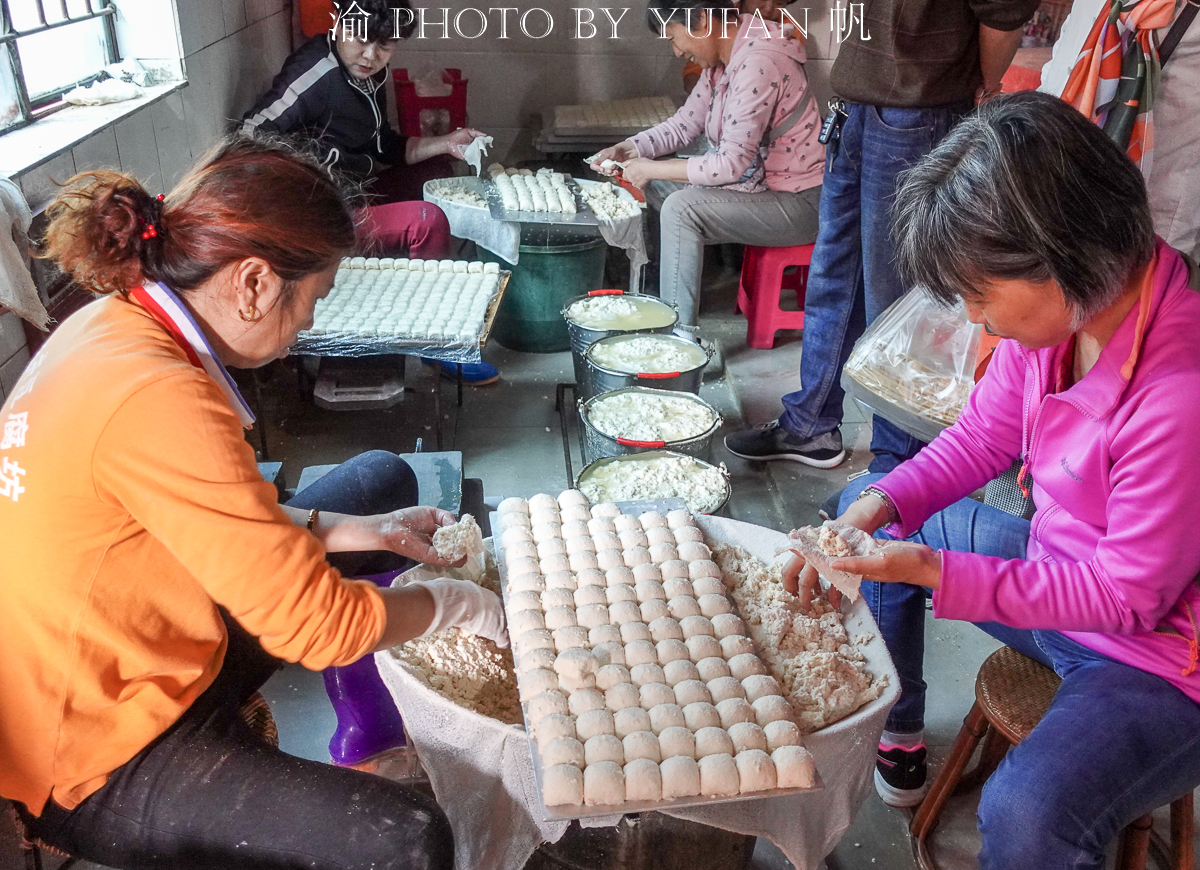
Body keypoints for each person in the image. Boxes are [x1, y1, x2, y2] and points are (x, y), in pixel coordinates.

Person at [0, 136, 510, 869]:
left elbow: (190, 508)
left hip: (131, 619)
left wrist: (348, 528)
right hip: (92, 740)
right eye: (313, 299)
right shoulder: (161, 396)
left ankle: (366, 715)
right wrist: (461, 606)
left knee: (377, 480)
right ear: (253, 283)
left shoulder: (113, 322)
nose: (307, 325)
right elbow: (320, 628)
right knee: (408, 838)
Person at [787, 92, 1200, 868]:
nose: (979, 323)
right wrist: (882, 504)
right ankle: (899, 729)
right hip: (1060, 580)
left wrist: (939, 571)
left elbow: (1126, 599)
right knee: (860, 512)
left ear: (1060, 257)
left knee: (1028, 812)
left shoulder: (1179, 396)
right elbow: (982, 437)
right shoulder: (1071, 313)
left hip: (1157, 658)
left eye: (982, 296)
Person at [724, 0, 1040, 470]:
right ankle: (810, 426)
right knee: (834, 276)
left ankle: (898, 466)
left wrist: (984, 85)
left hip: (919, 110)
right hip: (857, 106)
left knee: (896, 296)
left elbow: (1004, 11)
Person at [243, 0, 498, 385]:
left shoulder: (369, 73)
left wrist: (447, 143)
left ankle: (420, 306)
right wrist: (300, 187)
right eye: (361, 40)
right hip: (321, 218)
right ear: (339, 25)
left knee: (436, 172)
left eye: (385, 45)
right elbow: (247, 135)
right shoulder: (316, 71)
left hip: (354, 190)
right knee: (426, 219)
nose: (371, 55)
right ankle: (435, 345)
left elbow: (384, 148)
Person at [590, 0, 823, 336]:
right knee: (659, 188)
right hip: (761, 189)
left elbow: (729, 164)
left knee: (681, 209)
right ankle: (663, 299)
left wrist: (652, 168)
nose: (675, 51)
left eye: (673, 38)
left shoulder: (759, 61)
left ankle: (679, 337)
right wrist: (630, 148)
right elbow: (684, 124)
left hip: (799, 202)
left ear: (701, 19)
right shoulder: (724, 61)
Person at [681, 0, 805, 94]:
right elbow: (692, 76)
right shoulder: (717, 18)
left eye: (779, 2)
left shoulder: (790, 30)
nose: (768, 8)